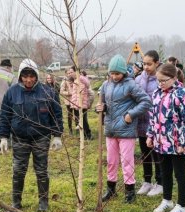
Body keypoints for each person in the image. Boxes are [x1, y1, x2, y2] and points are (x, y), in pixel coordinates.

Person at [0, 58, 63, 212]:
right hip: (20, 138)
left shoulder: (48, 92)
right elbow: (5, 116)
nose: (28, 80)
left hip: (41, 137)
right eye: (25, 76)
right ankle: (16, 203)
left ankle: (43, 203)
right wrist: (3, 137)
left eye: (32, 76)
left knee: (41, 171)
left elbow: (57, 114)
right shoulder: (12, 93)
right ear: (20, 76)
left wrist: (57, 135)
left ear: (37, 75)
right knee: (18, 171)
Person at [95, 54, 151, 204]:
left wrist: (131, 115)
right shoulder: (106, 86)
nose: (114, 76)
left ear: (124, 72)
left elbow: (146, 101)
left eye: (117, 74)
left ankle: (130, 192)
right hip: (110, 130)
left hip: (126, 131)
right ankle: (111, 190)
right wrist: (101, 107)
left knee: (127, 162)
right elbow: (106, 105)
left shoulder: (131, 85)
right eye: (112, 73)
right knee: (111, 161)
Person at [147, 63, 185, 212]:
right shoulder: (156, 93)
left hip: (177, 143)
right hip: (161, 142)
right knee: (165, 172)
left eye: (164, 80)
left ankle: (182, 206)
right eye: (158, 80)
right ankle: (167, 200)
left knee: (180, 174)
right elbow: (153, 116)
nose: (160, 84)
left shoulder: (183, 95)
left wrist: (184, 142)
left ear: (174, 78)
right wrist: (150, 135)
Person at [135, 50, 163, 197]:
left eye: (149, 64)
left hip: (157, 124)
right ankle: (147, 181)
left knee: (157, 154)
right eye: (144, 64)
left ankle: (160, 182)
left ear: (157, 63)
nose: (146, 67)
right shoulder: (138, 79)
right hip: (141, 122)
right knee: (145, 153)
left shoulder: (161, 79)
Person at [67, 66, 93, 140]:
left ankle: (88, 135)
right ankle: (83, 135)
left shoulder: (80, 79)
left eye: (72, 72)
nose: (70, 74)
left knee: (83, 120)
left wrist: (79, 104)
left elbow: (85, 88)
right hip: (76, 104)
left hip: (81, 104)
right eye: (69, 72)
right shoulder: (75, 80)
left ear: (76, 71)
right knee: (79, 120)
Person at [60, 68, 74, 135]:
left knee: (78, 114)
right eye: (68, 73)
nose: (69, 74)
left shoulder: (75, 79)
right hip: (69, 101)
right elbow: (61, 91)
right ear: (66, 74)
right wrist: (69, 93)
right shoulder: (65, 81)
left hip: (76, 100)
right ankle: (70, 129)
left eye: (70, 73)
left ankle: (79, 128)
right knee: (70, 115)